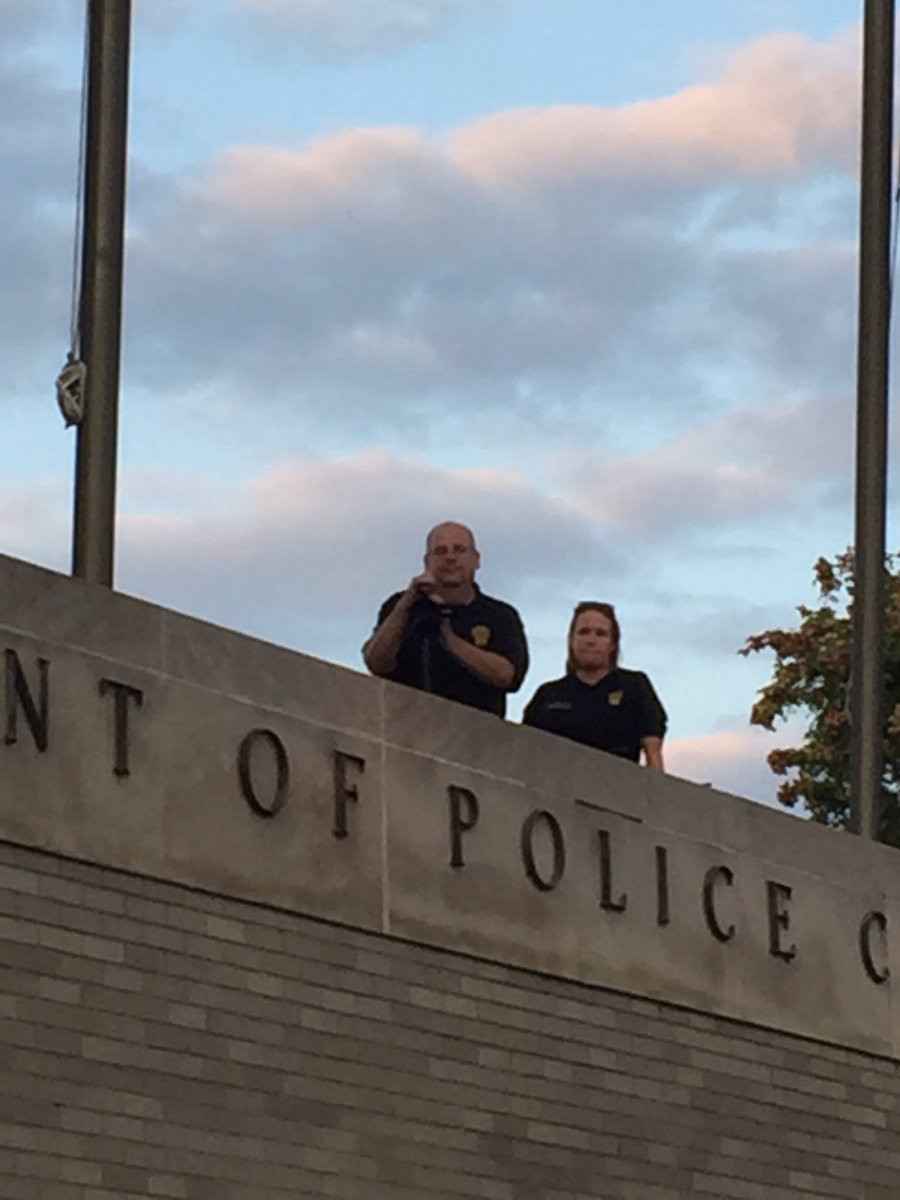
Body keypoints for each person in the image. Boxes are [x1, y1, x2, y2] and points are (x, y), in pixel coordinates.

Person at [363, 521, 529, 717]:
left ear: (476, 560)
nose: (450, 557)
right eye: (440, 551)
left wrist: (448, 638)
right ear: (427, 562)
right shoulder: (400, 606)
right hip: (405, 728)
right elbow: (375, 663)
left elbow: (507, 676)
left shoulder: (500, 615)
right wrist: (405, 606)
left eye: (459, 550)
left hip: (476, 735)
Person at [522, 601, 666, 768]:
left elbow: (653, 752)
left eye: (601, 633)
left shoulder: (635, 686)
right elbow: (526, 752)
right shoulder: (547, 695)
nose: (591, 640)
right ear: (571, 640)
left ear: (612, 644)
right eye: (584, 632)